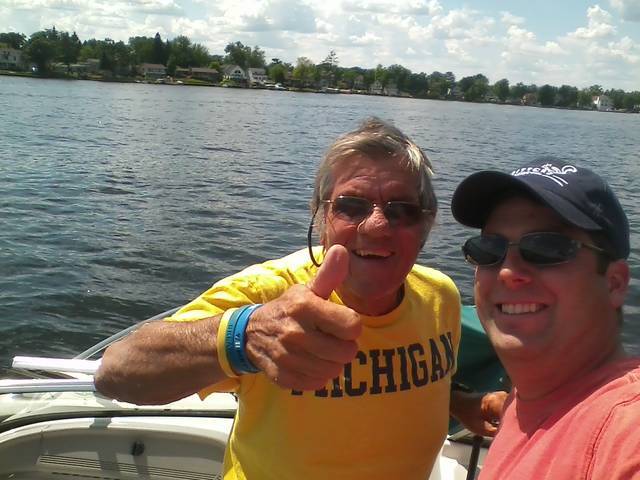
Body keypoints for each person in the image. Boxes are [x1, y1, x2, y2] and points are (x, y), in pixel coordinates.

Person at [95, 117, 501, 480]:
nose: (377, 225)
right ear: (321, 217)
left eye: (402, 210)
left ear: (426, 223)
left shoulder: (441, 296)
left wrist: (461, 403)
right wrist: (245, 336)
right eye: (351, 206)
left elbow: (409, 383)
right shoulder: (269, 296)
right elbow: (116, 372)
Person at [451, 159, 640, 479]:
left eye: (547, 248)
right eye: (489, 249)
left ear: (614, 283)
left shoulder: (625, 430)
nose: (508, 271)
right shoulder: (526, 400)